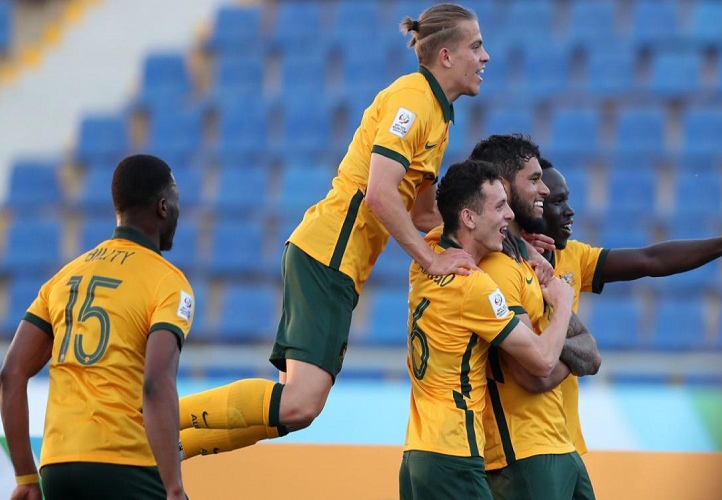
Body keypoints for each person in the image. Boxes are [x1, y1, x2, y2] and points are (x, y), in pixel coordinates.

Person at [176, 3, 492, 458]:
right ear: (446, 55)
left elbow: (425, 215)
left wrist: (495, 237)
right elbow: (379, 193)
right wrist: (431, 260)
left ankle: (165, 453)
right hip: (329, 253)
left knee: (289, 412)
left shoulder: (438, 117)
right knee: (301, 403)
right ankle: (157, 418)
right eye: (476, 46)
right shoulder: (414, 100)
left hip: (328, 257)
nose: (485, 56)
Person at [521, 156, 722, 458]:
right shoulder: (508, 266)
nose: (570, 210)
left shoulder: (574, 258)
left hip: (566, 442)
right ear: (532, 208)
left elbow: (651, 260)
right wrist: (579, 355)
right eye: (557, 202)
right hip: (525, 443)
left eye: (568, 199)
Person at [0, 154, 192, 500]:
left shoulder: (64, 278)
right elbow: (156, 385)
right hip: (124, 464)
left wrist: (26, 477)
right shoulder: (168, 283)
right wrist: (174, 488)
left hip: (57, 467)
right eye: (175, 199)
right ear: (163, 207)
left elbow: (10, 376)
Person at [400, 159, 574, 500]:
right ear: (468, 218)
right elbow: (542, 361)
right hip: (455, 453)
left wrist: (524, 250)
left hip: (417, 455)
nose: (509, 215)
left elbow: (427, 218)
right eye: (499, 207)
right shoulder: (474, 286)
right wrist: (563, 301)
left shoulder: (427, 258)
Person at [469, 135, 598, 500]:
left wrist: (556, 348)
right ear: (503, 186)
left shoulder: (529, 264)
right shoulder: (495, 269)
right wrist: (563, 309)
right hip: (522, 454)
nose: (543, 189)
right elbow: (534, 375)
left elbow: (591, 355)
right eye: (535, 179)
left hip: (560, 444)